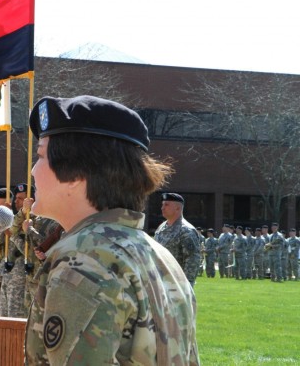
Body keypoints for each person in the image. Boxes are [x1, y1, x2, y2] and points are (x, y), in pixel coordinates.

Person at [24, 95, 199, 365]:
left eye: (40, 156)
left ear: (76, 173)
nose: (34, 171)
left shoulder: (84, 259)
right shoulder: (159, 256)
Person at [154, 193, 202, 285]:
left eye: (166, 205)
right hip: (160, 282)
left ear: (178, 208)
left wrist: (186, 285)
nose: (162, 208)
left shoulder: (186, 230)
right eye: (162, 205)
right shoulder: (161, 227)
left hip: (176, 284)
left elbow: (192, 260)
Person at [0, 183, 29, 318]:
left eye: (21, 198)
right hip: (7, 272)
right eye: (16, 198)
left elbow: (30, 252)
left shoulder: (33, 221)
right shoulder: (13, 219)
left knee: (15, 318)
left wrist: (14, 236)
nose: (16, 201)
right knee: (3, 317)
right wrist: (2, 220)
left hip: (21, 274)